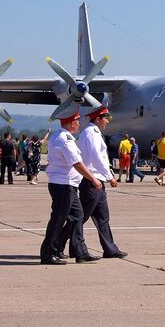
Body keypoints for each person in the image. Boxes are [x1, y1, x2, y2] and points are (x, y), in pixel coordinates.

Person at [40, 109, 102, 265]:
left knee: (77, 216)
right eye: (77, 121)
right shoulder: (65, 139)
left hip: (67, 185)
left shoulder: (57, 135)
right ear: (72, 122)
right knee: (58, 219)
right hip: (63, 185)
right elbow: (77, 163)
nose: (78, 124)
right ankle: (48, 253)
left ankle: (77, 251)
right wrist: (93, 179)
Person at [75, 107, 127, 259]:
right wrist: (109, 176)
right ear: (97, 119)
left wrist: (107, 176)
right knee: (81, 217)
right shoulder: (91, 133)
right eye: (105, 118)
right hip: (91, 180)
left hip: (98, 181)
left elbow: (101, 158)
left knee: (103, 217)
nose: (108, 121)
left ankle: (110, 248)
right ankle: (60, 244)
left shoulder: (95, 133)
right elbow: (97, 157)